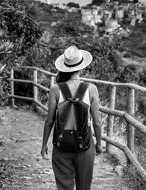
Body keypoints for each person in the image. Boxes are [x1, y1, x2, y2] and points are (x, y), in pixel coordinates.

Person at [41, 46, 102, 190]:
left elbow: (49, 120)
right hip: (85, 146)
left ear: (64, 67)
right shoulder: (91, 89)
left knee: (64, 186)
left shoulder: (56, 89)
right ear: (82, 67)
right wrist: (99, 144)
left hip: (61, 146)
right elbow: (97, 123)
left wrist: (44, 145)